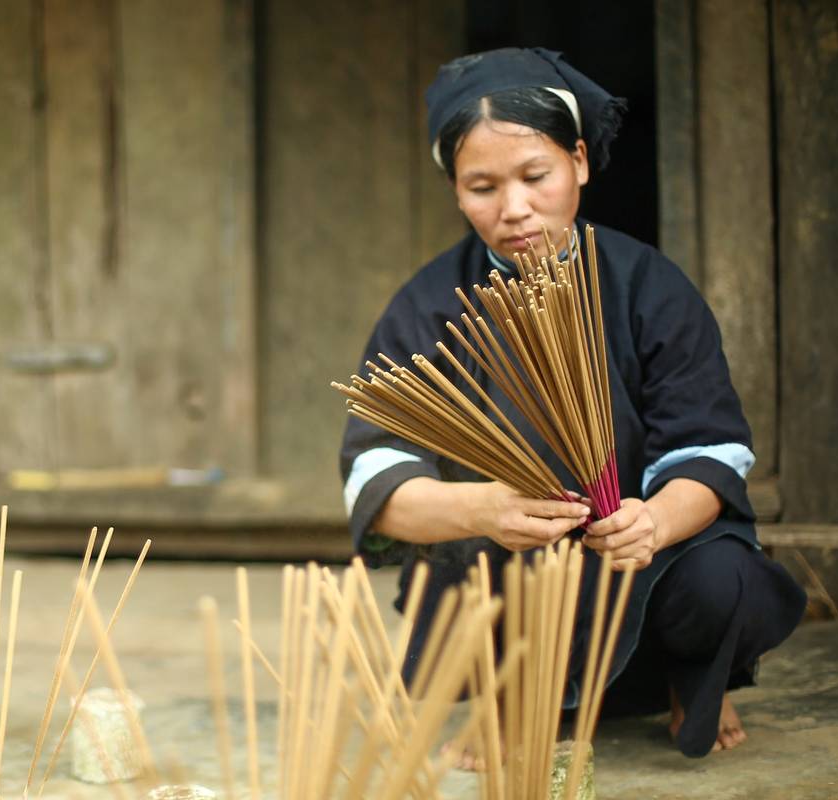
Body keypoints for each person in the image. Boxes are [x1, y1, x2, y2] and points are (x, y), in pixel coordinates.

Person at [338, 47, 807, 759]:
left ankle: (690, 680)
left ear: (580, 162)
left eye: (536, 175)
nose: (514, 208)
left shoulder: (648, 286)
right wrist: (483, 509)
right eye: (482, 187)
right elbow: (375, 474)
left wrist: (652, 521)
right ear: (457, 192)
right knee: (461, 561)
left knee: (722, 578)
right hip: (505, 572)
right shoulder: (429, 306)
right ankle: (510, 689)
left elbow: (710, 453)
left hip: (642, 569)